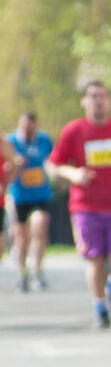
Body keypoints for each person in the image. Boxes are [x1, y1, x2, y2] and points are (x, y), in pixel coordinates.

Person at [49, 81, 111, 329]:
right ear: (84, 102)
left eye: (103, 96)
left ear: (109, 101)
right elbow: (55, 163)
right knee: (95, 259)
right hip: (85, 206)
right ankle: (100, 307)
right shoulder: (74, 130)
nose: (98, 101)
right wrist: (74, 174)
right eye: (93, 96)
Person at [7, 113, 53, 292]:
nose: (28, 131)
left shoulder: (44, 140)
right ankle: (23, 272)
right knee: (22, 236)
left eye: (31, 127)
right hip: (19, 195)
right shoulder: (11, 141)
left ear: (35, 125)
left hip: (41, 193)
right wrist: (15, 164)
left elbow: (54, 160)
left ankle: (38, 270)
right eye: (24, 127)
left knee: (40, 227)